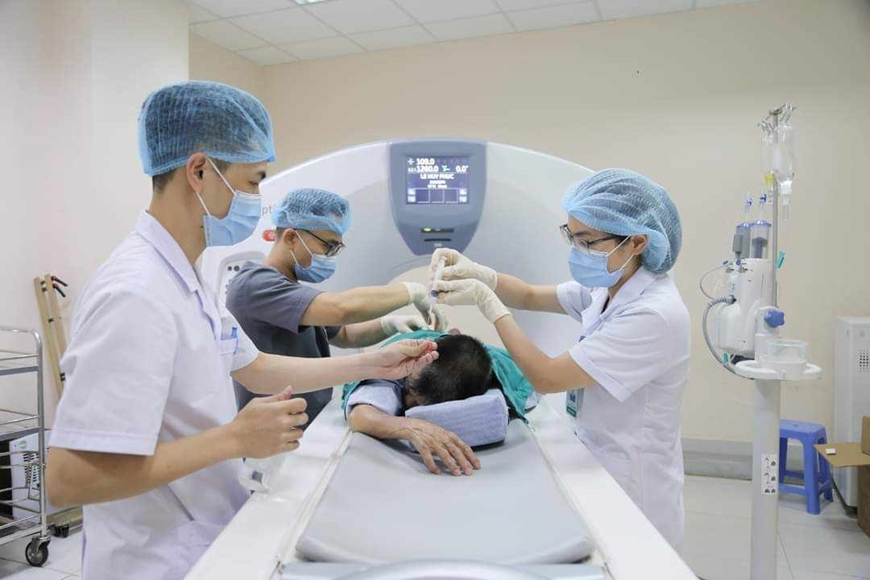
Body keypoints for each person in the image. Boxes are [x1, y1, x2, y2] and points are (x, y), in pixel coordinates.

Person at [44, 81, 438, 580]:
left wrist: (374, 361)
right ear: (199, 171)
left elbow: (256, 368)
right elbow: (69, 479)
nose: (256, 199)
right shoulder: (135, 293)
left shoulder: (187, 279)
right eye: (253, 181)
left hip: (204, 534)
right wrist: (233, 438)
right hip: (154, 560)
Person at [432, 168, 690, 551]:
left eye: (587, 241)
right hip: (594, 452)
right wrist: (480, 273)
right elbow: (530, 295)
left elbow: (548, 378)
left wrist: (491, 307)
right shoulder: (607, 286)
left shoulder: (653, 315)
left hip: (633, 480)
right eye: (571, 236)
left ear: (636, 242)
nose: (576, 250)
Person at [226, 188, 445, 424]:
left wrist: (390, 325)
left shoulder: (291, 289)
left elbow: (344, 334)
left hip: (307, 421)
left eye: (336, 249)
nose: (331, 256)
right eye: (328, 246)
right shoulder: (255, 285)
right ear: (291, 237)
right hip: (273, 428)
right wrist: (411, 291)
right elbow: (341, 310)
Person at [343, 330, 533, 477]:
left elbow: (539, 384)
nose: (406, 401)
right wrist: (409, 426)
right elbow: (360, 416)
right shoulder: (397, 369)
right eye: (409, 389)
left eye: (416, 403)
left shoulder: (511, 372)